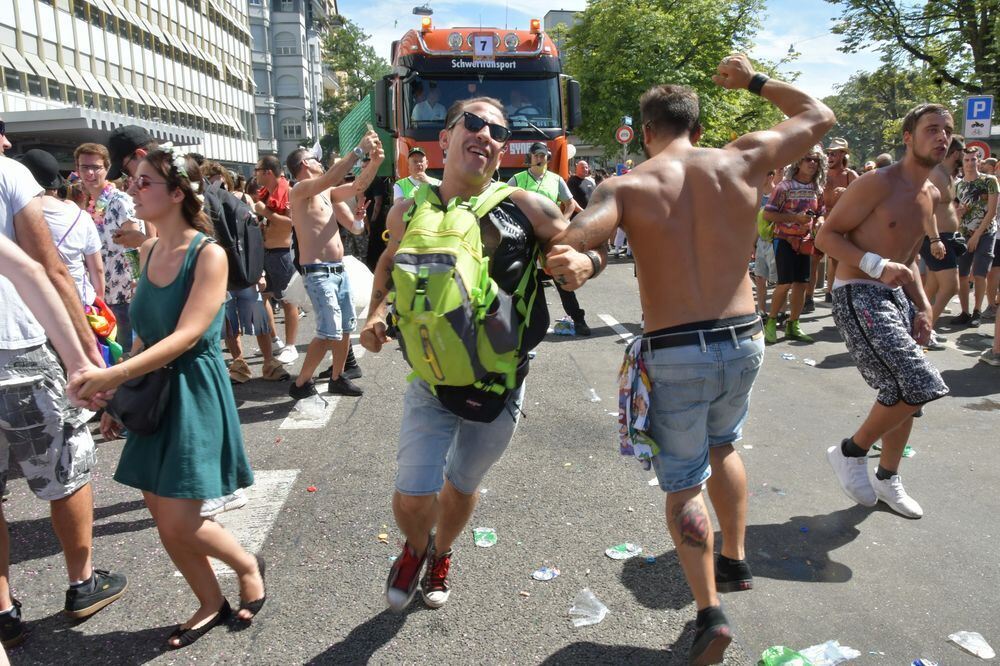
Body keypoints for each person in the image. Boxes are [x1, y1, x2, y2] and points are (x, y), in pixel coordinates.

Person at [547, 54, 835, 664]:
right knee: (724, 443)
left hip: (677, 350)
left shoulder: (627, 183)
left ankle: (710, 614)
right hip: (744, 337)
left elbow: (583, 233)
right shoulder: (743, 159)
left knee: (682, 484)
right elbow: (818, 114)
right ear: (699, 129)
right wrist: (754, 79)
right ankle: (734, 559)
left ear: (646, 132)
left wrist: (582, 258)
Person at [361, 97, 596, 615]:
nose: (487, 134)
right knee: (413, 492)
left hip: (500, 382)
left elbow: (577, 243)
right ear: (443, 139)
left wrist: (588, 260)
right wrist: (376, 313)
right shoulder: (408, 207)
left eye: (498, 130)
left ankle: (441, 553)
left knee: (462, 484)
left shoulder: (525, 206)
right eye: (474, 122)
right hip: (430, 376)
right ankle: (416, 547)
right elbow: (387, 261)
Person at [69, 150, 264, 649]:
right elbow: (145, 334)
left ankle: (246, 566)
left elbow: (186, 335)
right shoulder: (151, 250)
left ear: (177, 193)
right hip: (153, 391)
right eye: (132, 181)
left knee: (181, 518)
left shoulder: (209, 254)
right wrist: (118, 396)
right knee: (162, 513)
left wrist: (109, 373)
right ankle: (208, 601)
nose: (133, 189)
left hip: (193, 391)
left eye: (145, 182)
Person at [0, 154, 128, 649]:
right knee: (64, 473)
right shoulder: (8, 174)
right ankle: (82, 582)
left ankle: (4, 611)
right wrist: (84, 362)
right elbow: (42, 270)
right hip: (19, 353)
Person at [816, 103, 952, 519]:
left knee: (906, 395)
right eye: (931, 129)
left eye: (947, 130)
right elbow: (826, 237)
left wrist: (924, 306)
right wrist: (876, 264)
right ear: (908, 137)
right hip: (858, 292)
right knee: (919, 381)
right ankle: (849, 451)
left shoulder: (930, 194)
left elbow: (909, 258)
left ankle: (887, 477)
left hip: (897, 298)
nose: (941, 137)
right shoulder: (877, 182)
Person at [285, 134, 383, 399]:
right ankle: (301, 384)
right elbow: (329, 179)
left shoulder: (327, 193)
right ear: (305, 164)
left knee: (346, 326)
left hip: (338, 270)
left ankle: (338, 377)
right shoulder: (300, 189)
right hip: (318, 273)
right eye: (315, 159)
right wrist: (358, 151)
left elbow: (357, 187)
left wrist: (374, 162)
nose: (320, 162)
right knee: (329, 330)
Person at [198, 161, 289, 384]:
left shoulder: (242, 200)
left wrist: (260, 272)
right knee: (230, 319)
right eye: (210, 178)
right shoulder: (202, 206)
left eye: (216, 177)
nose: (214, 183)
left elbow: (254, 238)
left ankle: (268, 362)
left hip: (244, 268)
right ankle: (240, 363)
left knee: (256, 314)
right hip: (222, 273)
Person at [509, 142, 592, 335]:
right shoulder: (517, 179)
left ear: (547, 157)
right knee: (519, 277)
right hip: (524, 236)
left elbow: (570, 203)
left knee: (560, 275)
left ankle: (578, 319)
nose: (540, 158)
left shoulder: (556, 180)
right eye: (536, 155)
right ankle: (516, 323)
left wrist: (562, 221)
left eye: (543, 155)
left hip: (550, 238)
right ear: (529, 158)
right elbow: (504, 202)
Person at [76, 143, 150, 354]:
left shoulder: (120, 201)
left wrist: (138, 285)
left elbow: (135, 242)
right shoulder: (89, 203)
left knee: (127, 354)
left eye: (96, 167)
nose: (90, 173)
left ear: (106, 168)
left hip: (124, 292)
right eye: (84, 167)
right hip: (100, 292)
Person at [18, 149, 105, 306]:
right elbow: (97, 270)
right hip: (79, 300)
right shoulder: (81, 217)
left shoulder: (16, 215)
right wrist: (98, 305)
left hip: (35, 303)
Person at [762, 148, 827, 343]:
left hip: (805, 242)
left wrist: (821, 220)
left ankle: (793, 324)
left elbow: (821, 211)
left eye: (816, 160)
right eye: (808, 159)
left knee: (802, 284)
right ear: (799, 161)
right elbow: (768, 214)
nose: (812, 163)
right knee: (784, 284)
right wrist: (794, 218)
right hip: (784, 240)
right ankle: (771, 322)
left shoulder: (818, 188)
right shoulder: (784, 187)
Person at [918, 135, 964, 348]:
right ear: (956, 153)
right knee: (950, 287)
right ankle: (925, 332)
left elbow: (944, 208)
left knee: (932, 287)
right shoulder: (936, 174)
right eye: (963, 153)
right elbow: (928, 210)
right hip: (936, 238)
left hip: (945, 237)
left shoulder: (947, 174)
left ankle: (917, 328)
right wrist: (935, 239)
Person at [254, 156, 300, 364]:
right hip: (265, 253)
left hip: (281, 253)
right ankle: (274, 340)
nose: (254, 173)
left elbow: (290, 223)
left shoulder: (287, 191)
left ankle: (291, 346)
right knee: (263, 298)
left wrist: (266, 213)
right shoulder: (266, 193)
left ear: (268, 172)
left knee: (288, 300)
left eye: (257, 169)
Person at [952, 148, 998, 327]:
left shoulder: (990, 181)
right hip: (964, 234)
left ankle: (977, 310)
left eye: (973, 160)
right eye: (966, 160)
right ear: (962, 163)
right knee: (962, 274)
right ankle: (965, 311)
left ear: (978, 161)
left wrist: (977, 236)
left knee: (980, 272)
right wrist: (958, 214)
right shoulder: (958, 184)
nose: (970, 163)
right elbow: (954, 212)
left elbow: (992, 212)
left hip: (986, 233)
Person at [822, 138, 859, 303]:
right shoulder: (821, 174)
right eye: (828, 153)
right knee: (814, 259)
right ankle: (808, 297)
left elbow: (862, 196)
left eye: (834, 153)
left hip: (840, 221)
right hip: (820, 219)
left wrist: (847, 191)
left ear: (843, 154)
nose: (830, 156)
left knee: (836, 257)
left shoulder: (850, 175)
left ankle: (831, 291)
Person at [753, 169, 780, 316]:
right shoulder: (757, 195)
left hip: (775, 242)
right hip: (761, 243)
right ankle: (761, 312)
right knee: (759, 277)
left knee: (778, 280)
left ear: (770, 176)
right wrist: (752, 243)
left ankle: (780, 312)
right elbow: (756, 222)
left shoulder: (778, 194)